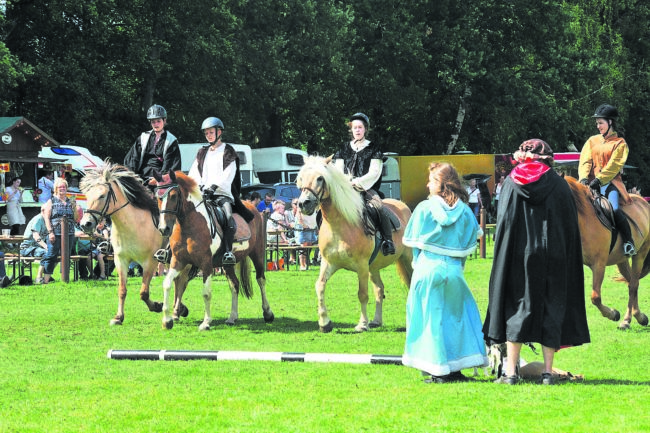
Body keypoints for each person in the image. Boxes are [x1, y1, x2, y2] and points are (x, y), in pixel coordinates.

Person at [483, 139, 590, 385]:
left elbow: (504, 224)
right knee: (552, 306)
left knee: (515, 306)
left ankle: (510, 373)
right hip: (553, 256)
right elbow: (568, 227)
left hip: (517, 257)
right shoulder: (559, 185)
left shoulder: (510, 182)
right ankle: (548, 373)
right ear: (548, 159)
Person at [401, 162, 488, 383]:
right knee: (456, 319)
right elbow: (470, 244)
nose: (427, 184)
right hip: (454, 270)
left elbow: (413, 244)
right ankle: (456, 368)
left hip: (427, 269)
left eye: (431, 180)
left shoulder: (423, 208)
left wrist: (418, 266)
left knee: (430, 319)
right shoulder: (465, 211)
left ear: (441, 184)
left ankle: (436, 369)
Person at [187, 117, 254, 266]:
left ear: (219, 132)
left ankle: (228, 251)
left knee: (228, 217)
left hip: (222, 194)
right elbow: (194, 173)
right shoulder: (202, 152)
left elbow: (228, 173)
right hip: (202, 194)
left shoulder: (228, 150)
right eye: (206, 133)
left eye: (211, 132)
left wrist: (214, 187)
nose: (208, 135)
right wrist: (197, 187)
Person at [333, 112, 395, 255]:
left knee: (378, 207)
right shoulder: (344, 148)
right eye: (355, 128)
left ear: (365, 129)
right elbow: (338, 169)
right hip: (346, 189)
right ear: (351, 130)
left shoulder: (374, 148)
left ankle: (388, 241)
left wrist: (358, 182)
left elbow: (375, 172)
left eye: (360, 127)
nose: (357, 130)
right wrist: (345, 182)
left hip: (366, 188)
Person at [578, 103, 636, 256]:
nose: (598, 126)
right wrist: (584, 178)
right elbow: (585, 160)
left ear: (610, 122)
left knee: (615, 209)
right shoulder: (592, 141)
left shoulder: (620, 143)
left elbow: (614, 165)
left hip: (610, 184)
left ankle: (628, 242)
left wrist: (599, 180)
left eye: (600, 123)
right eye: (597, 123)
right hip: (589, 184)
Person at [124, 104, 182, 186]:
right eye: (153, 122)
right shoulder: (143, 138)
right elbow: (133, 159)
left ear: (164, 121)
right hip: (140, 178)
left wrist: (159, 179)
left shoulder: (171, 141)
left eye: (158, 121)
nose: (156, 124)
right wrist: (133, 177)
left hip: (160, 181)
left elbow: (170, 165)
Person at [40, 178, 79, 284]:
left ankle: (65, 278)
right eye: (60, 187)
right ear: (56, 189)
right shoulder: (51, 201)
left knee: (66, 255)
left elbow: (75, 218)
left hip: (69, 232)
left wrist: (75, 207)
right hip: (55, 232)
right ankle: (46, 280)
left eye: (64, 187)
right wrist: (50, 232)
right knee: (51, 255)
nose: (62, 189)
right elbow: (47, 218)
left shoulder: (70, 201)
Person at [19, 213, 49, 283]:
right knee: (47, 253)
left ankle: (47, 275)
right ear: (43, 211)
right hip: (27, 248)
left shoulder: (48, 221)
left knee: (56, 252)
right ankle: (39, 277)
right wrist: (46, 246)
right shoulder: (38, 219)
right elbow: (36, 236)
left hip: (37, 248)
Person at [293, 199, 318, 270]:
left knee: (309, 246)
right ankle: (302, 265)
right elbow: (298, 215)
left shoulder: (313, 204)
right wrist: (303, 224)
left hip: (311, 227)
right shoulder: (301, 204)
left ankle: (306, 264)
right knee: (304, 246)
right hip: (304, 228)